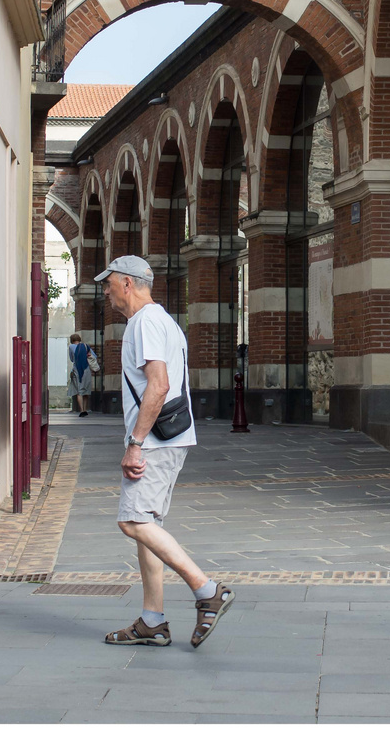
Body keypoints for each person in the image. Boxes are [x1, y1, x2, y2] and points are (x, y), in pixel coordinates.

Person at [95, 254, 234, 649]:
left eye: (109, 283)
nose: (105, 291)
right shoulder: (161, 321)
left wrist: (135, 445)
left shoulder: (147, 322)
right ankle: (152, 621)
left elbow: (158, 385)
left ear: (128, 283)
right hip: (166, 437)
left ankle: (207, 590)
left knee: (132, 522)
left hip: (154, 441)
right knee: (147, 527)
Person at [67, 332, 92, 417]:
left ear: (72, 340)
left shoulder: (71, 347)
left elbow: (71, 358)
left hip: (77, 369)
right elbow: (92, 356)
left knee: (79, 391)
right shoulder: (85, 346)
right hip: (86, 369)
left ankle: (81, 410)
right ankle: (85, 409)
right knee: (86, 391)